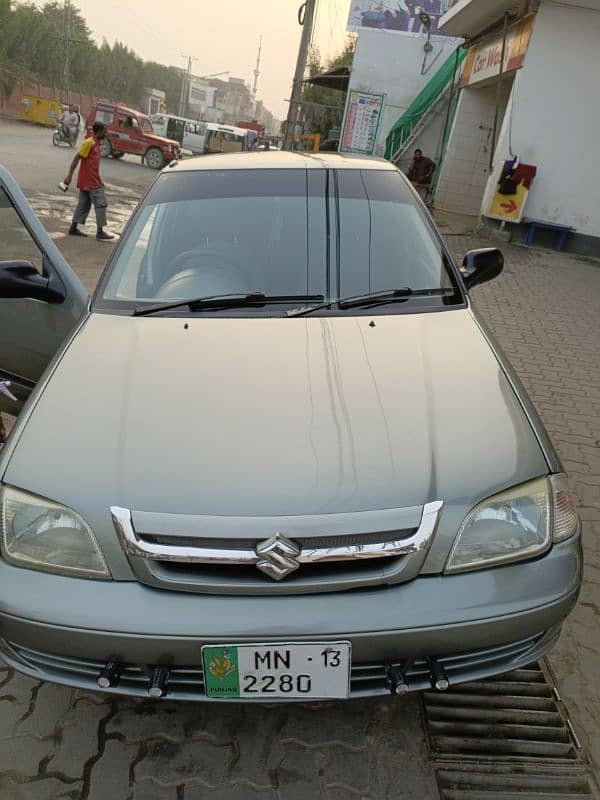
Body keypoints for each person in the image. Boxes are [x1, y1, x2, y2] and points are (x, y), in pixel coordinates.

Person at [63, 121, 114, 241]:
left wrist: (99, 179)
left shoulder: (96, 144)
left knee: (84, 204)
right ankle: (100, 231)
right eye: (104, 131)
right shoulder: (89, 143)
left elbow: (93, 166)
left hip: (90, 180)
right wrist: (69, 175)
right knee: (101, 203)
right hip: (90, 182)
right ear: (99, 131)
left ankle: (73, 228)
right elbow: (76, 158)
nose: (106, 133)